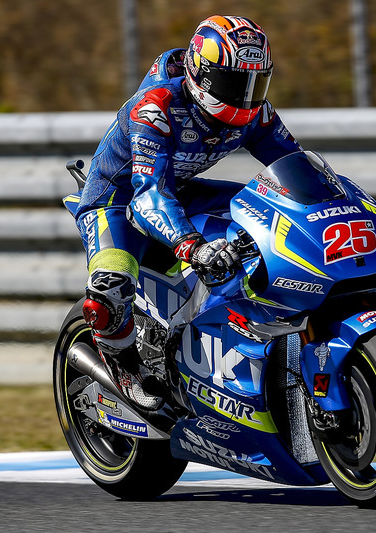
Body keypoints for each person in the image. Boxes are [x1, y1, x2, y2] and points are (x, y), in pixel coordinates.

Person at [74, 15, 302, 410]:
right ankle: (123, 368)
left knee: (270, 211)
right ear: (203, 76)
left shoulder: (257, 114)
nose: (247, 96)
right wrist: (192, 247)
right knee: (109, 286)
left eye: (256, 83)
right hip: (120, 198)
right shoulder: (156, 108)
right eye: (235, 83)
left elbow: (298, 169)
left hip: (182, 191)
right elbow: (148, 196)